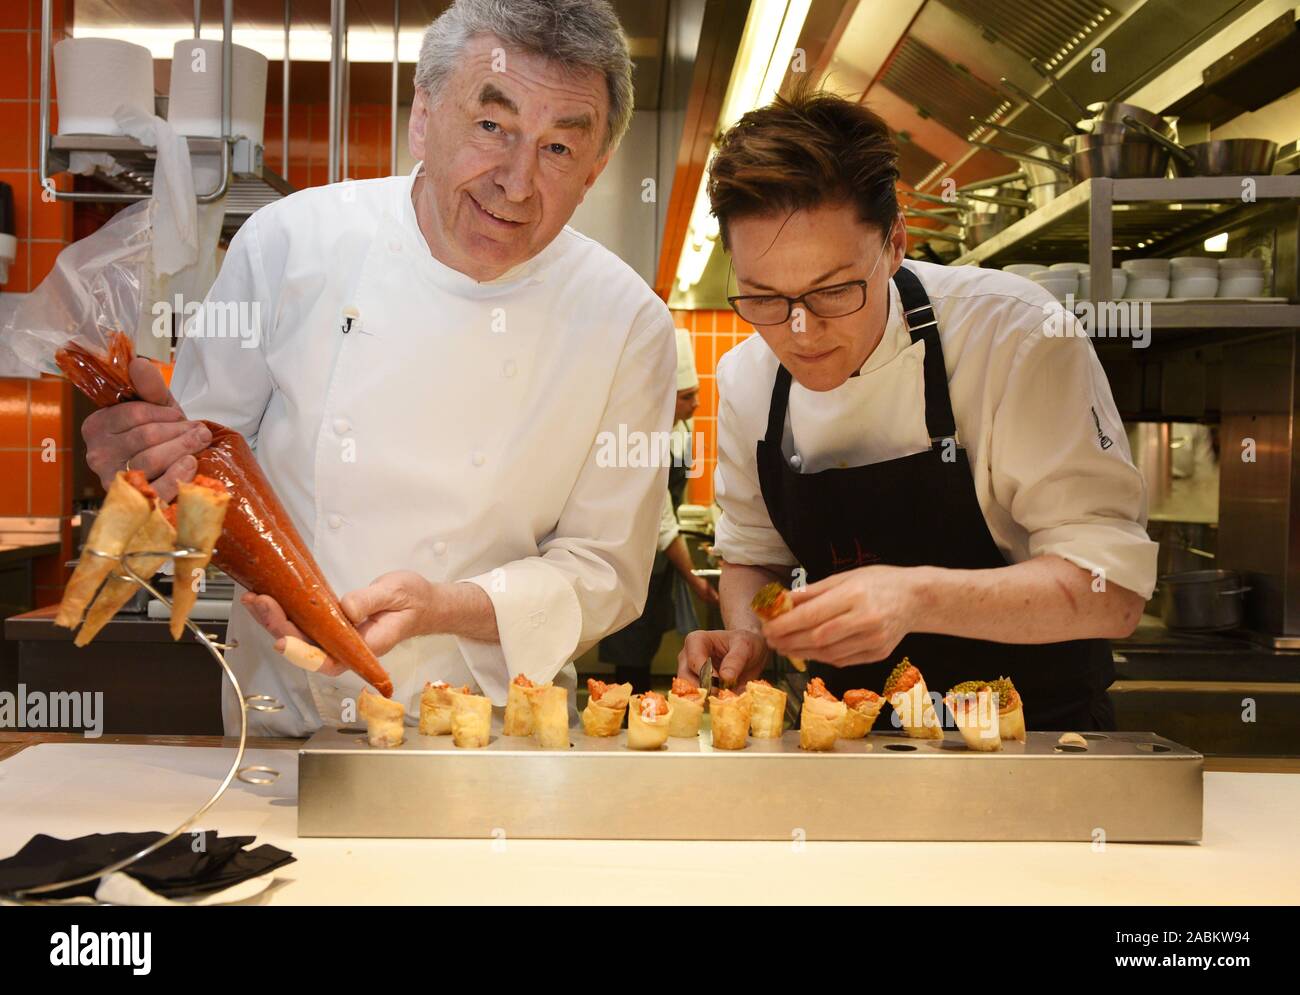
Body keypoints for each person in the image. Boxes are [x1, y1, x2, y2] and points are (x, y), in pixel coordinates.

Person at [80, 0, 676, 736]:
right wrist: (138, 467)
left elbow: (605, 571)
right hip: (285, 720)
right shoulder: (288, 246)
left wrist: (443, 606)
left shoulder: (629, 324)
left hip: (489, 735)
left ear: (595, 173)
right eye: (492, 127)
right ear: (422, 119)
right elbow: (198, 473)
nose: (517, 184)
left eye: (558, 149)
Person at [677, 88, 1157, 730]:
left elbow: (1113, 594)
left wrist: (916, 597)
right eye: (763, 297)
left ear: (895, 243)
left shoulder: (1016, 335)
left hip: (1036, 742)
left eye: (834, 290)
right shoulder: (746, 378)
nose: (799, 331)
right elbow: (753, 557)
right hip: (845, 743)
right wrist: (751, 635)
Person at [599, 329, 718, 690]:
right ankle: (625, 720)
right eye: (687, 396)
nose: (697, 402)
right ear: (665, 399)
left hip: (656, 565)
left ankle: (639, 712)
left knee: (645, 646)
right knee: (632, 653)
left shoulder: (678, 428)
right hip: (633, 561)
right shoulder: (640, 437)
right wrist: (698, 582)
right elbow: (662, 524)